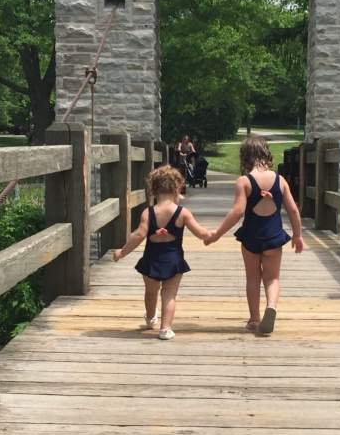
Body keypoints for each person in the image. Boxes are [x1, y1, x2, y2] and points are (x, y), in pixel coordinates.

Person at [204, 136, 304, 335]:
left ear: (244, 157)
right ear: (267, 154)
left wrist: (217, 233)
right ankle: (272, 306)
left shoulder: (244, 182)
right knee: (272, 278)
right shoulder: (280, 180)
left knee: (252, 278)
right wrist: (297, 235)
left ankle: (254, 319)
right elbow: (293, 210)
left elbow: (238, 212)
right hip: (274, 238)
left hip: (251, 238)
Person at [113, 165, 210, 339]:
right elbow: (200, 232)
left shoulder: (148, 213)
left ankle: (151, 318)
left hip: (151, 259)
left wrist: (122, 252)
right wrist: (212, 235)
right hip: (173, 260)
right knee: (169, 294)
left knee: (151, 291)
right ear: (178, 188)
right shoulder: (183, 213)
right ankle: (165, 328)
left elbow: (139, 235)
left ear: (153, 189)